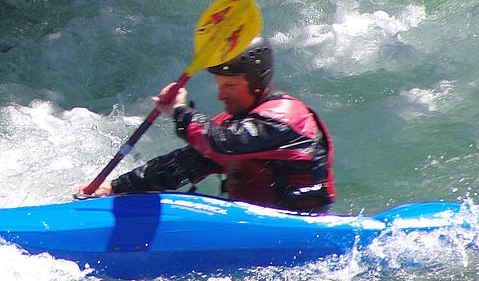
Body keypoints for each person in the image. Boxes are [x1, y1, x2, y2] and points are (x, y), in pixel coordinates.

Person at [84, 36, 335, 212]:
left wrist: (181, 111)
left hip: (297, 225)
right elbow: (180, 166)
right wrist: (115, 188)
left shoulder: (287, 117)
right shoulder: (231, 124)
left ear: (258, 82)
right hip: (252, 225)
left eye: (230, 86)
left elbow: (221, 143)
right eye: (219, 85)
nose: (221, 95)